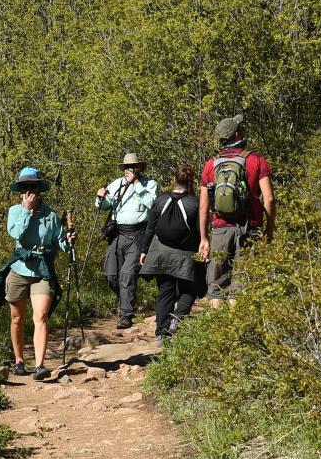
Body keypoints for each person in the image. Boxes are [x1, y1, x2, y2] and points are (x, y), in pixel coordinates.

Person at [198, 114, 276, 307]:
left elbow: (203, 206)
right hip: (250, 227)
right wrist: (270, 227)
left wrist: (204, 238)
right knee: (242, 282)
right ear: (238, 133)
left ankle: (217, 329)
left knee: (216, 285)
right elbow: (269, 198)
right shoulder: (256, 160)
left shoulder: (211, 164)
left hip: (220, 229)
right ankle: (238, 333)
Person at [5, 166, 72, 380]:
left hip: (43, 269)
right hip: (20, 269)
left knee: (40, 316)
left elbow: (59, 240)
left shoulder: (51, 215)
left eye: (33, 186)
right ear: (20, 190)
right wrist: (26, 210)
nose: (29, 191)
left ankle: (40, 365)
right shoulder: (15, 211)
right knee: (17, 318)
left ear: (39, 189)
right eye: (25, 187)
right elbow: (16, 233)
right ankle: (19, 361)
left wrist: (68, 242)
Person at [96, 153, 158, 329]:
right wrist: (100, 197)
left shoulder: (149, 184)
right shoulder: (116, 184)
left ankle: (126, 315)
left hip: (138, 234)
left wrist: (137, 185)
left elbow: (153, 205)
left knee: (128, 274)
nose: (128, 171)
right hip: (118, 234)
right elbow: (105, 205)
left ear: (139, 169)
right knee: (111, 275)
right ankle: (127, 299)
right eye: (126, 167)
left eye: (132, 167)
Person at [139, 166, 200, 341]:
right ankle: (176, 319)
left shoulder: (160, 200)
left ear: (174, 179)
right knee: (189, 289)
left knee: (165, 291)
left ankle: (161, 333)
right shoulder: (194, 202)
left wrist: (144, 251)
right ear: (190, 181)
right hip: (185, 254)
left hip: (160, 253)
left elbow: (150, 228)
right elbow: (199, 230)